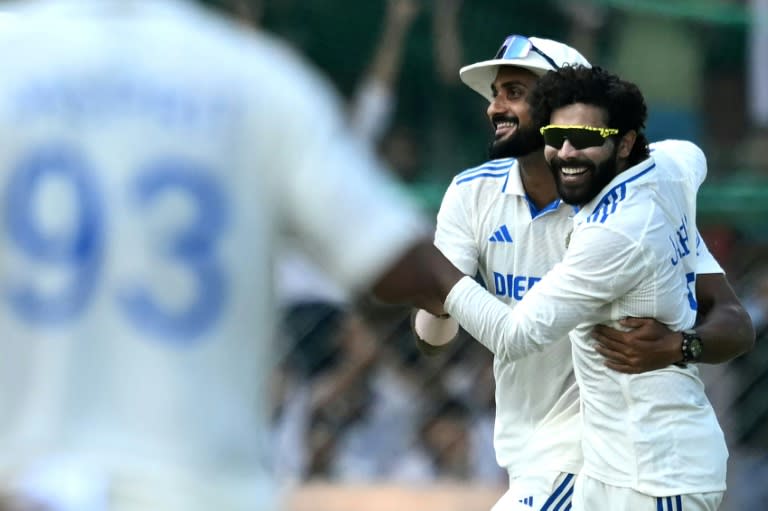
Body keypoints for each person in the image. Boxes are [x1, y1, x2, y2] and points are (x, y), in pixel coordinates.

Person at [0, 2, 454, 510]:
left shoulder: (10, 54)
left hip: (24, 483)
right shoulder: (256, 81)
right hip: (199, 490)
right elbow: (397, 264)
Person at [413, 35, 754, 510]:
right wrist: (434, 296)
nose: (495, 108)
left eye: (514, 93)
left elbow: (734, 322)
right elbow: (433, 340)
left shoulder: (627, 209)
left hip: (600, 458)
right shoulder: (471, 196)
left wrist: (680, 345)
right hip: (526, 450)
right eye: (495, 94)